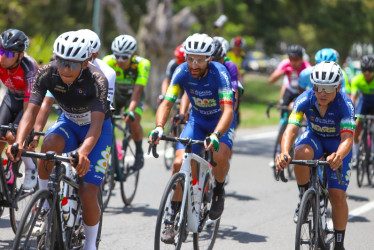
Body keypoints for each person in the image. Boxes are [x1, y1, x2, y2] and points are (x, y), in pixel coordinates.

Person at [7, 31, 112, 250]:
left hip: (97, 131)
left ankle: (90, 244)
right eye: (61, 62)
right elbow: (31, 111)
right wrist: (18, 141)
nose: (65, 69)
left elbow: (96, 125)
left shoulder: (97, 79)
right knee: (49, 146)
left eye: (72, 65)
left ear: (84, 63)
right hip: (70, 124)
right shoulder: (47, 72)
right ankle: (45, 201)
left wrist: (83, 152)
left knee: (87, 191)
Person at [149, 33, 235, 242]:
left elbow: (228, 111)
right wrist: (159, 127)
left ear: (209, 59)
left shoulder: (220, 73)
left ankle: (218, 190)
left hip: (219, 121)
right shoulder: (181, 71)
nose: (194, 64)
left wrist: (216, 134)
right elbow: (168, 103)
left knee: (221, 155)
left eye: (199, 60)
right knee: (179, 163)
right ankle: (172, 216)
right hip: (196, 121)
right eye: (190, 58)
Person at [276, 61, 355, 250]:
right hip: (315, 138)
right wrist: (284, 152)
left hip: (338, 144)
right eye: (318, 87)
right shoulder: (304, 99)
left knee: (337, 195)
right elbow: (290, 129)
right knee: (300, 152)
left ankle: (338, 243)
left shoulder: (345, 104)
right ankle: (306, 196)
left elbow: (348, 138)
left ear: (337, 87)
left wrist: (338, 155)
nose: (323, 92)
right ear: (313, 86)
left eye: (328, 88)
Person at [29, 28, 116, 144]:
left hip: (94, 116)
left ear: (94, 55)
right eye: (63, 60)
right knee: (51, 144)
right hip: (69, 116)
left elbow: (103, 108)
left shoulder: (105, 73)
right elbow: (47, 103)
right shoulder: (59, 70)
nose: (67, 68)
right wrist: (36, 136)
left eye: (87, 57)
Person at [103, 34, 150, 171]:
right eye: (117, 56)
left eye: (125, 57)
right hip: (115, 95)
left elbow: (137, 91)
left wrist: (130, 111)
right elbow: (103, 88)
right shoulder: (108, 61)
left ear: (133, 54)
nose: (120, 60)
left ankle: (139, 152)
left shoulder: (142, 64)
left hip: (133, 96)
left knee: (133, 120)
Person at [0, 28, 39, 189]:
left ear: (20, 56)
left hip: (26, 103)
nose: (3, 56)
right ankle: (4, 172)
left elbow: (30, 107)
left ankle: (31, 167)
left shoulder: (29, 67)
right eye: (1, 50)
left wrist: (19, 132)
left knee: (12, 135)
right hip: (10, 98)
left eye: (9, 54)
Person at [350, 55, 374, 159]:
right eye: (364, 70)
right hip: (364, 103)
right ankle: (356, 156)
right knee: (357, 127)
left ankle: (372, 153)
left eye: (370, 70)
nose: (367, 73)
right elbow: (353, 98)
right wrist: (351, 113)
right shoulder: (357, 80)